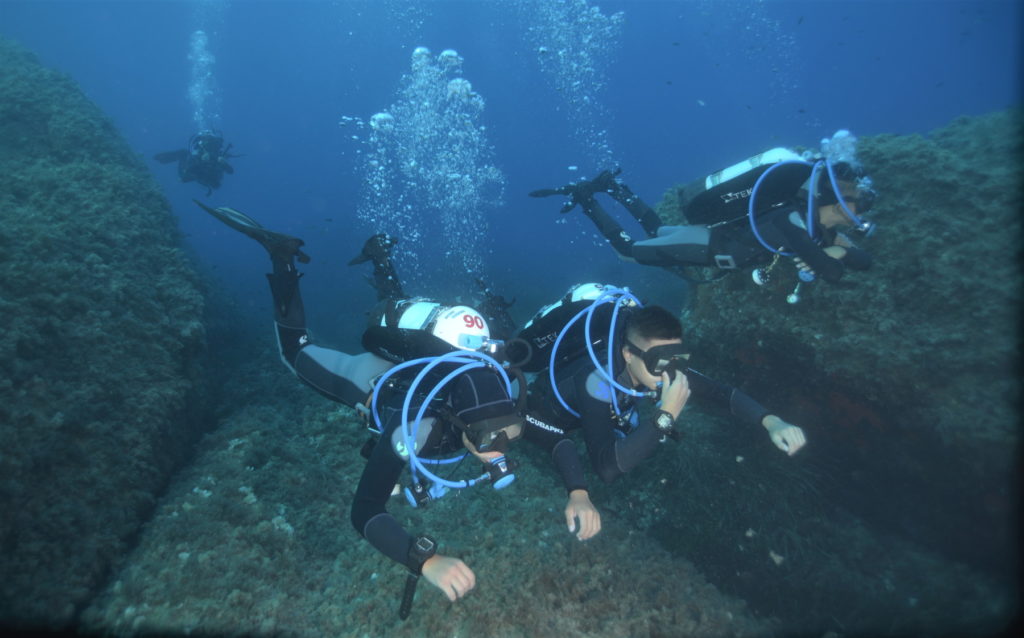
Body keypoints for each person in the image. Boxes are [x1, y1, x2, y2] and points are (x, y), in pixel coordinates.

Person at [194, 201, 599, 611]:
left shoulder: (501, 405)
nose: (498, 450)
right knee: (294, 349)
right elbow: (365, 509)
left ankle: (381, 257)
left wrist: (579, 493)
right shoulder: (415, 427)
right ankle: (281, 257)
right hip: (370, 376)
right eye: (488, 438)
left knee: (403, 323)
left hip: (427, 360)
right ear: (457, 421)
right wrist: (424, 560)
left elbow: (557, 440)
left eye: (509, 434)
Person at [513, 283, 807, 485]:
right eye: (658, 362)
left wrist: (772, 421)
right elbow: (606, 468)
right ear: (628, 354)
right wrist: (664, 416)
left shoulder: (663, 366)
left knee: (631, 420)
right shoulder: (598, 381)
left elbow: (721, 392)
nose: (669, 372)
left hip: (607, 410)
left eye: (677, 358)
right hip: (544, 416)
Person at [530, 131, 876, 288]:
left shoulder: (819, 226)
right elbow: (830, 272)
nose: (860, 215)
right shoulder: (793, 220)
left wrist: (835, 248)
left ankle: (613, 187)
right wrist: (834, 252)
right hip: (707, 248)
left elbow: (864, 263)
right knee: (627, 253)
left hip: (711, 239)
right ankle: (588, 199)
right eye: (858, 206)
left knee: (658, 232)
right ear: (839, 204)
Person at [155, 130, 236, 195]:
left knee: (184, 153)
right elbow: (189, 170)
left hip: (212, 181)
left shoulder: (220, 155)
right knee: (184, 154)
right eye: (208, 143)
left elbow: (231, 171)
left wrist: (224, 163)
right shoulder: (199, 153)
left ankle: (162, 159)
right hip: (193, 175)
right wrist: (200, 160)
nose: (210, 147)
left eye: (213, 144)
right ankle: (162, 159)